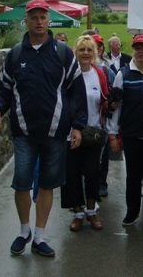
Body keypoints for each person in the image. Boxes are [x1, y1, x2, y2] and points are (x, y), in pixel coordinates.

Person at [0, 0, 85, 258]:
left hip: (55, 131)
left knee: (47, 184)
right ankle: (24, 231)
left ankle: (40, 236)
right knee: (21, 183)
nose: (39, 22)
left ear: (48, 20)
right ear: (26, 21)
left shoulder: (63, 54)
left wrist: (78, 126)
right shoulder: (15, 55)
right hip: (23, 131)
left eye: (43, 17)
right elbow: (4, 90)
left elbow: (77, 92)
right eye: (34, 17)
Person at [106, 35, 143, 234]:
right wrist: (112, 134)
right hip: (131, 134)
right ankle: (132, 212)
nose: (141, 52)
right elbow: (116, 105)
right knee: (133, 176)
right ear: (133, 50)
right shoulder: (123, 74)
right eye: (137, 48)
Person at [62, 35, 110, 232]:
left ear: (95, 53)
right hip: (70, 133)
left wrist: (111, 105)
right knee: (72, 174)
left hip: (92, 132)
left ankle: (91, 211)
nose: (86, 53)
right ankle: (77, 213)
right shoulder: (68, 74)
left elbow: (104, 102)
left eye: (90, 50)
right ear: (75, 52)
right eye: (82, 49)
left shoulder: (99, 75)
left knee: (92, 173)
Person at [91, 33, 116, 197]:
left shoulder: (107, 70)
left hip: (103, 120)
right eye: (95, 45)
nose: (98, 48)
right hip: (85, 120)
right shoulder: (78, 68)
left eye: (100, 45)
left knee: (103, 155)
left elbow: (115, 93)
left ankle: (101, 183)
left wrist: (112, 104)